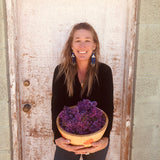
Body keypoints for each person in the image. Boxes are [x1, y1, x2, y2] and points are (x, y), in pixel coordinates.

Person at [51, 22, 114, 160]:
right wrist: (57, 137)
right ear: (71, 46)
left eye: (87, 40)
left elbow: (108, 107)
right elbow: (56, 106)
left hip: (96, 138)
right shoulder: (61, 71)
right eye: (77, 41)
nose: (82, 46)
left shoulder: (104, 71)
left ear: (94, 45)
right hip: (67, 137)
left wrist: (105, 139)